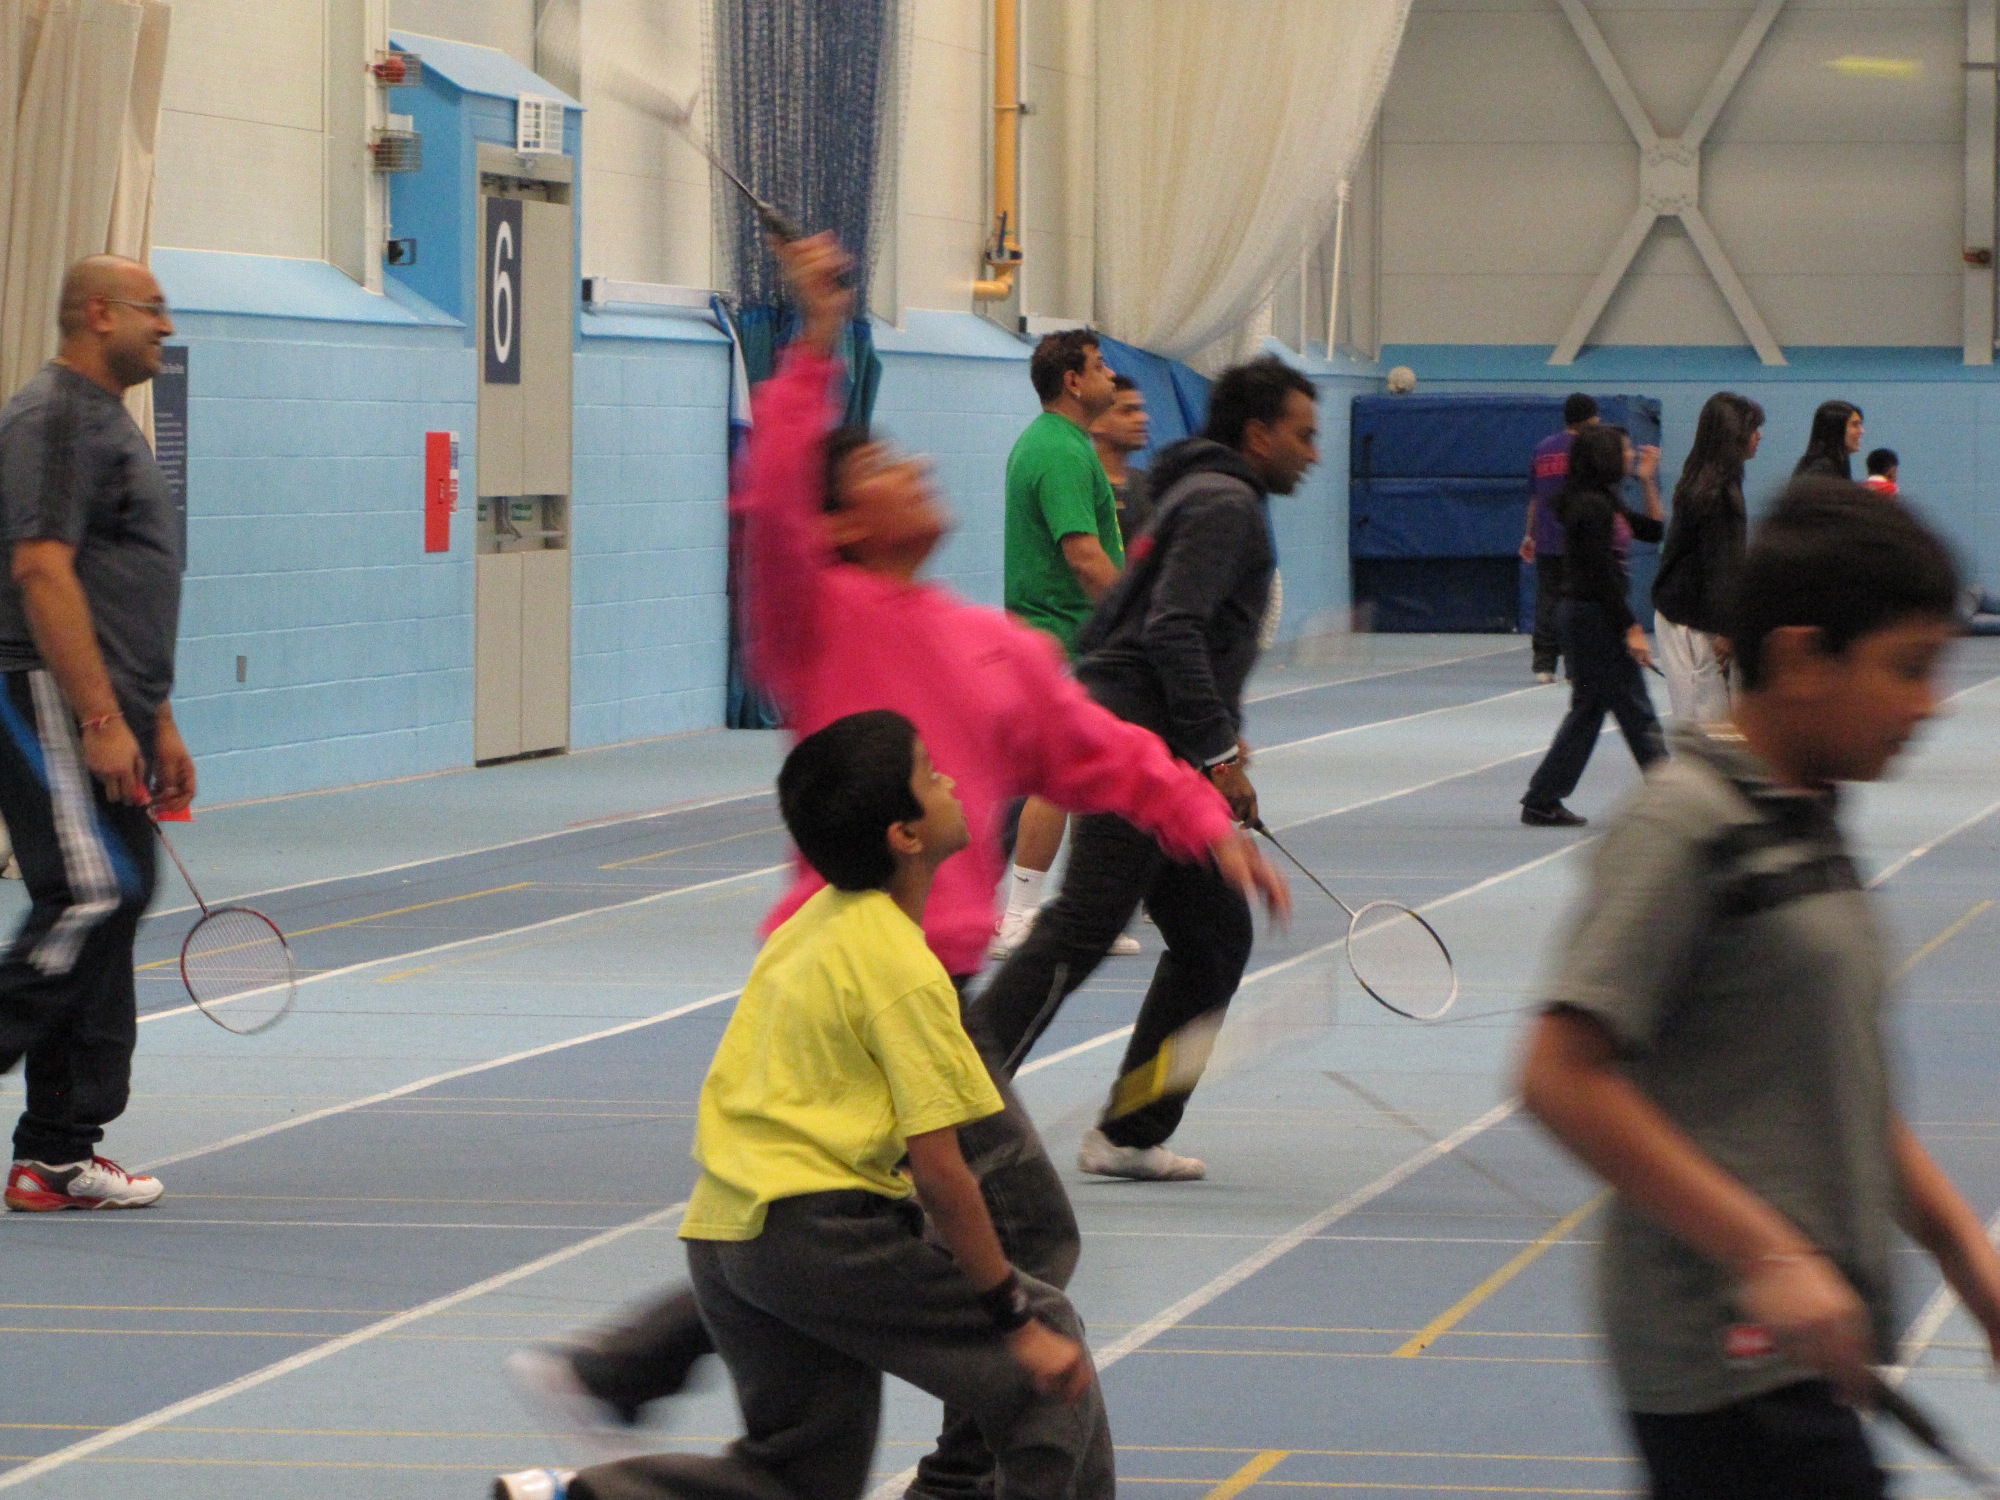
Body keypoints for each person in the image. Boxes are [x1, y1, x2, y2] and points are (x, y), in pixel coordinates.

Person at [501, 234, 1283, 1500]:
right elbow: (763, 510)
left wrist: (1201, 822)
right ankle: (947, 1471)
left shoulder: (993, 651)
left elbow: (1099, 751)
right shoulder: (818, 616)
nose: (911, 468)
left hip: (930, 990)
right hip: (852, 981)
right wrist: (812, 340)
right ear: (842, 524)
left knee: (844, 1283)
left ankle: (630, 1377)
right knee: (1006, 1239)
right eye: (878, 463)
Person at [1519, 481, 2000, 1498]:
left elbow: (1833, 1084)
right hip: (1722, 1359)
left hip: (1810, 1352)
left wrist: (1966, 1260)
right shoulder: (1683, 824)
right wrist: (1769, 1255)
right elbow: (1559, 1076)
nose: (1929, 704)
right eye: (1906, 669)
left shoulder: (1803, 818)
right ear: (1797, 659)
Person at [516, 713, 1113, 1500]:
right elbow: (943, 1173)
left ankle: (583, 1496)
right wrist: (1010, 1313)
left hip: (724, 1235)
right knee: (1048, 1351)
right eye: (932, 776)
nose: (953, 782)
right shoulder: (904, 970)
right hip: (824, 1235)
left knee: (800, 1476)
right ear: (904, 834)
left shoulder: (807, 931)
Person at [969, 356, 1319, 1183]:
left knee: (1212, 939)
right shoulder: (1226, 503)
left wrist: (1215, 738)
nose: (1312, 452)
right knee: (1081, 928)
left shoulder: (1189, 489)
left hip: (1159, 740)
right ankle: (949, 1107)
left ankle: (1128, 1131)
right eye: (1302, 435)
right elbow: (1170, 630)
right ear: (1258, 432)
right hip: (1136, 742)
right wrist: (1218, 750)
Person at [0, 256, 193, 1213]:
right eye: (153, 311)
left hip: (111, 706)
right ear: (98, 312)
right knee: (91, 889)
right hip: (43, 693)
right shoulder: (58, 419)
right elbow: (42, 571)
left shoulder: (106, 423)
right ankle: (56, 1143)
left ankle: (57, 1154)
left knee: (116, 903)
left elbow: (121, 587)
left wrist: (155, 716)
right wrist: (102, 718)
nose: (165, 327)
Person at [993, 330, 1125, 960]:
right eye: (1101, 368)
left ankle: (1082, 910)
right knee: (1055, 780)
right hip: (1057, 641)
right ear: (1072, 380)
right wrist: (1136, 620)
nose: (1112, 377)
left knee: (1085, 777)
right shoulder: (1060, 451)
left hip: (1065, 639)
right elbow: (1083, 554)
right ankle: (1019, 916)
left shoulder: (1063, 445)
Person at [1519, 424, 1665, 827]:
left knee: (1590, 709)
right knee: (1635, 708)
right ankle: (1672, 796)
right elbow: (1600, 575)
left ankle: (1542, 797)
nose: (1632, 454)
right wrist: (1630, 628)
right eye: (1626, 450)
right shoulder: (1590, 507)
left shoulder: (1606, 500)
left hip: (1592, 615)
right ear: (1604, 456)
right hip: (1590, 617)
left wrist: (1648, 482)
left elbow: (1654, 529)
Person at [1651, 392, 1763, 726]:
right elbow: (1720, 566)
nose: (1759, 436)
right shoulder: (1713, 493)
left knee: (1713, 721)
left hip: (1696, 614)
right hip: (1691, 620)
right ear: (1733, 434)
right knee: (1704, 721)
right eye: (1753, 429)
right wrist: (1727, 630)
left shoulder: (1713, 482)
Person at [1520, 394, 1600, 683]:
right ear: (1588, 419)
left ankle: (1544, 663)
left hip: (1546, 536)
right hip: (1578, 537)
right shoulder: (1589, 448)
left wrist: (1529, 534)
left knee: (1547, 598)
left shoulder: (1543, 449)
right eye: (1596, 417)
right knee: (1579, 601)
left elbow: (1535, 498)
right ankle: (1575, 665)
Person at [1094, 373, 1154, 545]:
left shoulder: (1148, 485)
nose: (1142, 418)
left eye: (1140, 410)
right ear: (1096, 422)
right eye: (1127, 411)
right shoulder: (1082, 487)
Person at [1793, 400, 1862, 479]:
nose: (1861, 431)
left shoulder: (1839, 464)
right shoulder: (1820, 470)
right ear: (1835, 428)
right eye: (1855, 425)